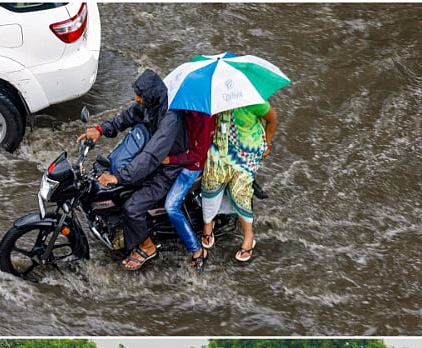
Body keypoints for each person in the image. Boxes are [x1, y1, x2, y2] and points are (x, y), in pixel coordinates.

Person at [77, 69, 188, 271]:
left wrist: (119, 178)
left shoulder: (170, 119)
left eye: (140, 96)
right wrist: (100, 130)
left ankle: (147, 246)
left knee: (132, 207)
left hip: (167, 170)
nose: (137, 99)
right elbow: (127, 117)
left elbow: (151, 156)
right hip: (152, 159)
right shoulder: (149, 106)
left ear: (151, 95)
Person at [199, 102, 279, 262]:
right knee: (210, 182)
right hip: (221, 146)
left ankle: (249, 235)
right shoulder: (217, 98)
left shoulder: (255, 101)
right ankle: (208, 223)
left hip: (246, 152)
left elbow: (272, 120)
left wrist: (267, 144)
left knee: (239, 192)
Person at [163, 110, 216, 272]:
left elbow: (198, 154)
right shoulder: (181, 111)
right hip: (179, 156)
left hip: (193, 165)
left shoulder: (205, 118)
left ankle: (197, 250)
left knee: (171, 206)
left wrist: (170, 159)